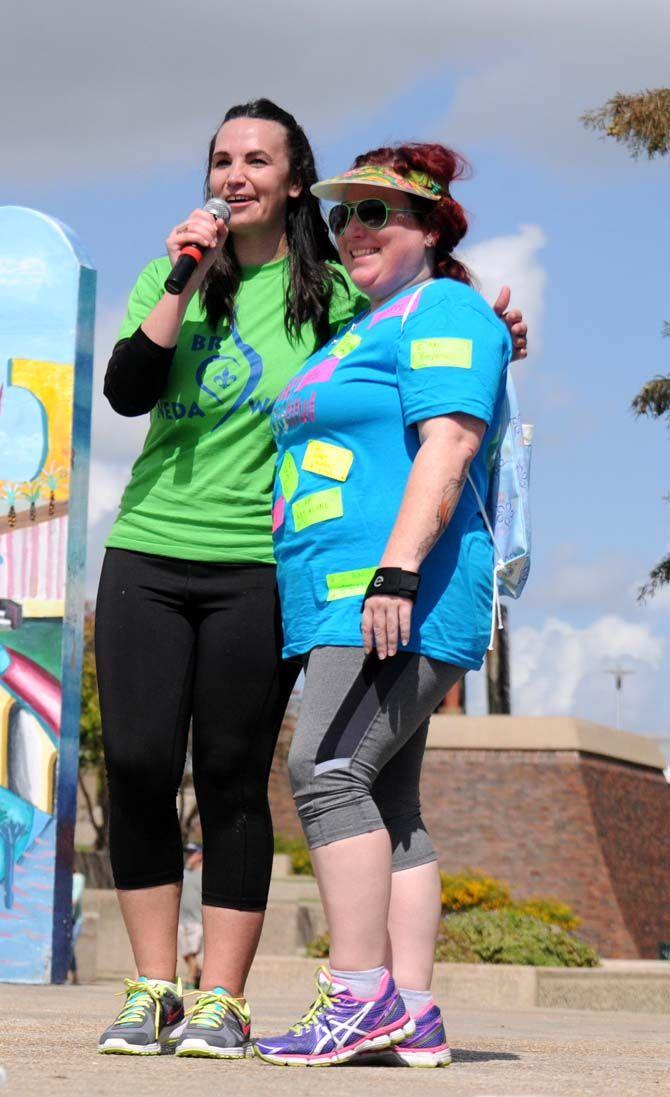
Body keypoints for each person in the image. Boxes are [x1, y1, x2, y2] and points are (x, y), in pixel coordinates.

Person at [95, 99, 527, 1059]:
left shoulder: (333, 288)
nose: (234, 175)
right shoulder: (175, 276)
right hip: (157, 548)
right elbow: (129, 390)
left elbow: (423, 343)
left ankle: (237, 998)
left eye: (258, 159)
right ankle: (156, 987)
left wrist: (487, 319)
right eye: (220, 160)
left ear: (294, 180)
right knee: (138, 766)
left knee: (257, 772)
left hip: (266, 564)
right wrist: (182, 273)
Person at [254, 145, 514, 1068]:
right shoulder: (370, 324)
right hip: (338, 598)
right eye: (343, 215)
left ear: (433, 227)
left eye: (380, 213)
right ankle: (411, 1007)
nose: (353, 229)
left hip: (396, 594)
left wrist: (397, 571)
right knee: (387, 798)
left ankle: (357, 996)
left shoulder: (444, 308)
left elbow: (449, 442)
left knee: (324, 768)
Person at [178, 844, 203, 989]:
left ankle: (190, 980)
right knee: (186, 953)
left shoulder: (203, 874)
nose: (189, 855)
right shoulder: (184, 873)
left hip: (197, 920)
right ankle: (198, 973)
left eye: (193, 853)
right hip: (182, 919)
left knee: (192, 952)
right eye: (188, 853)